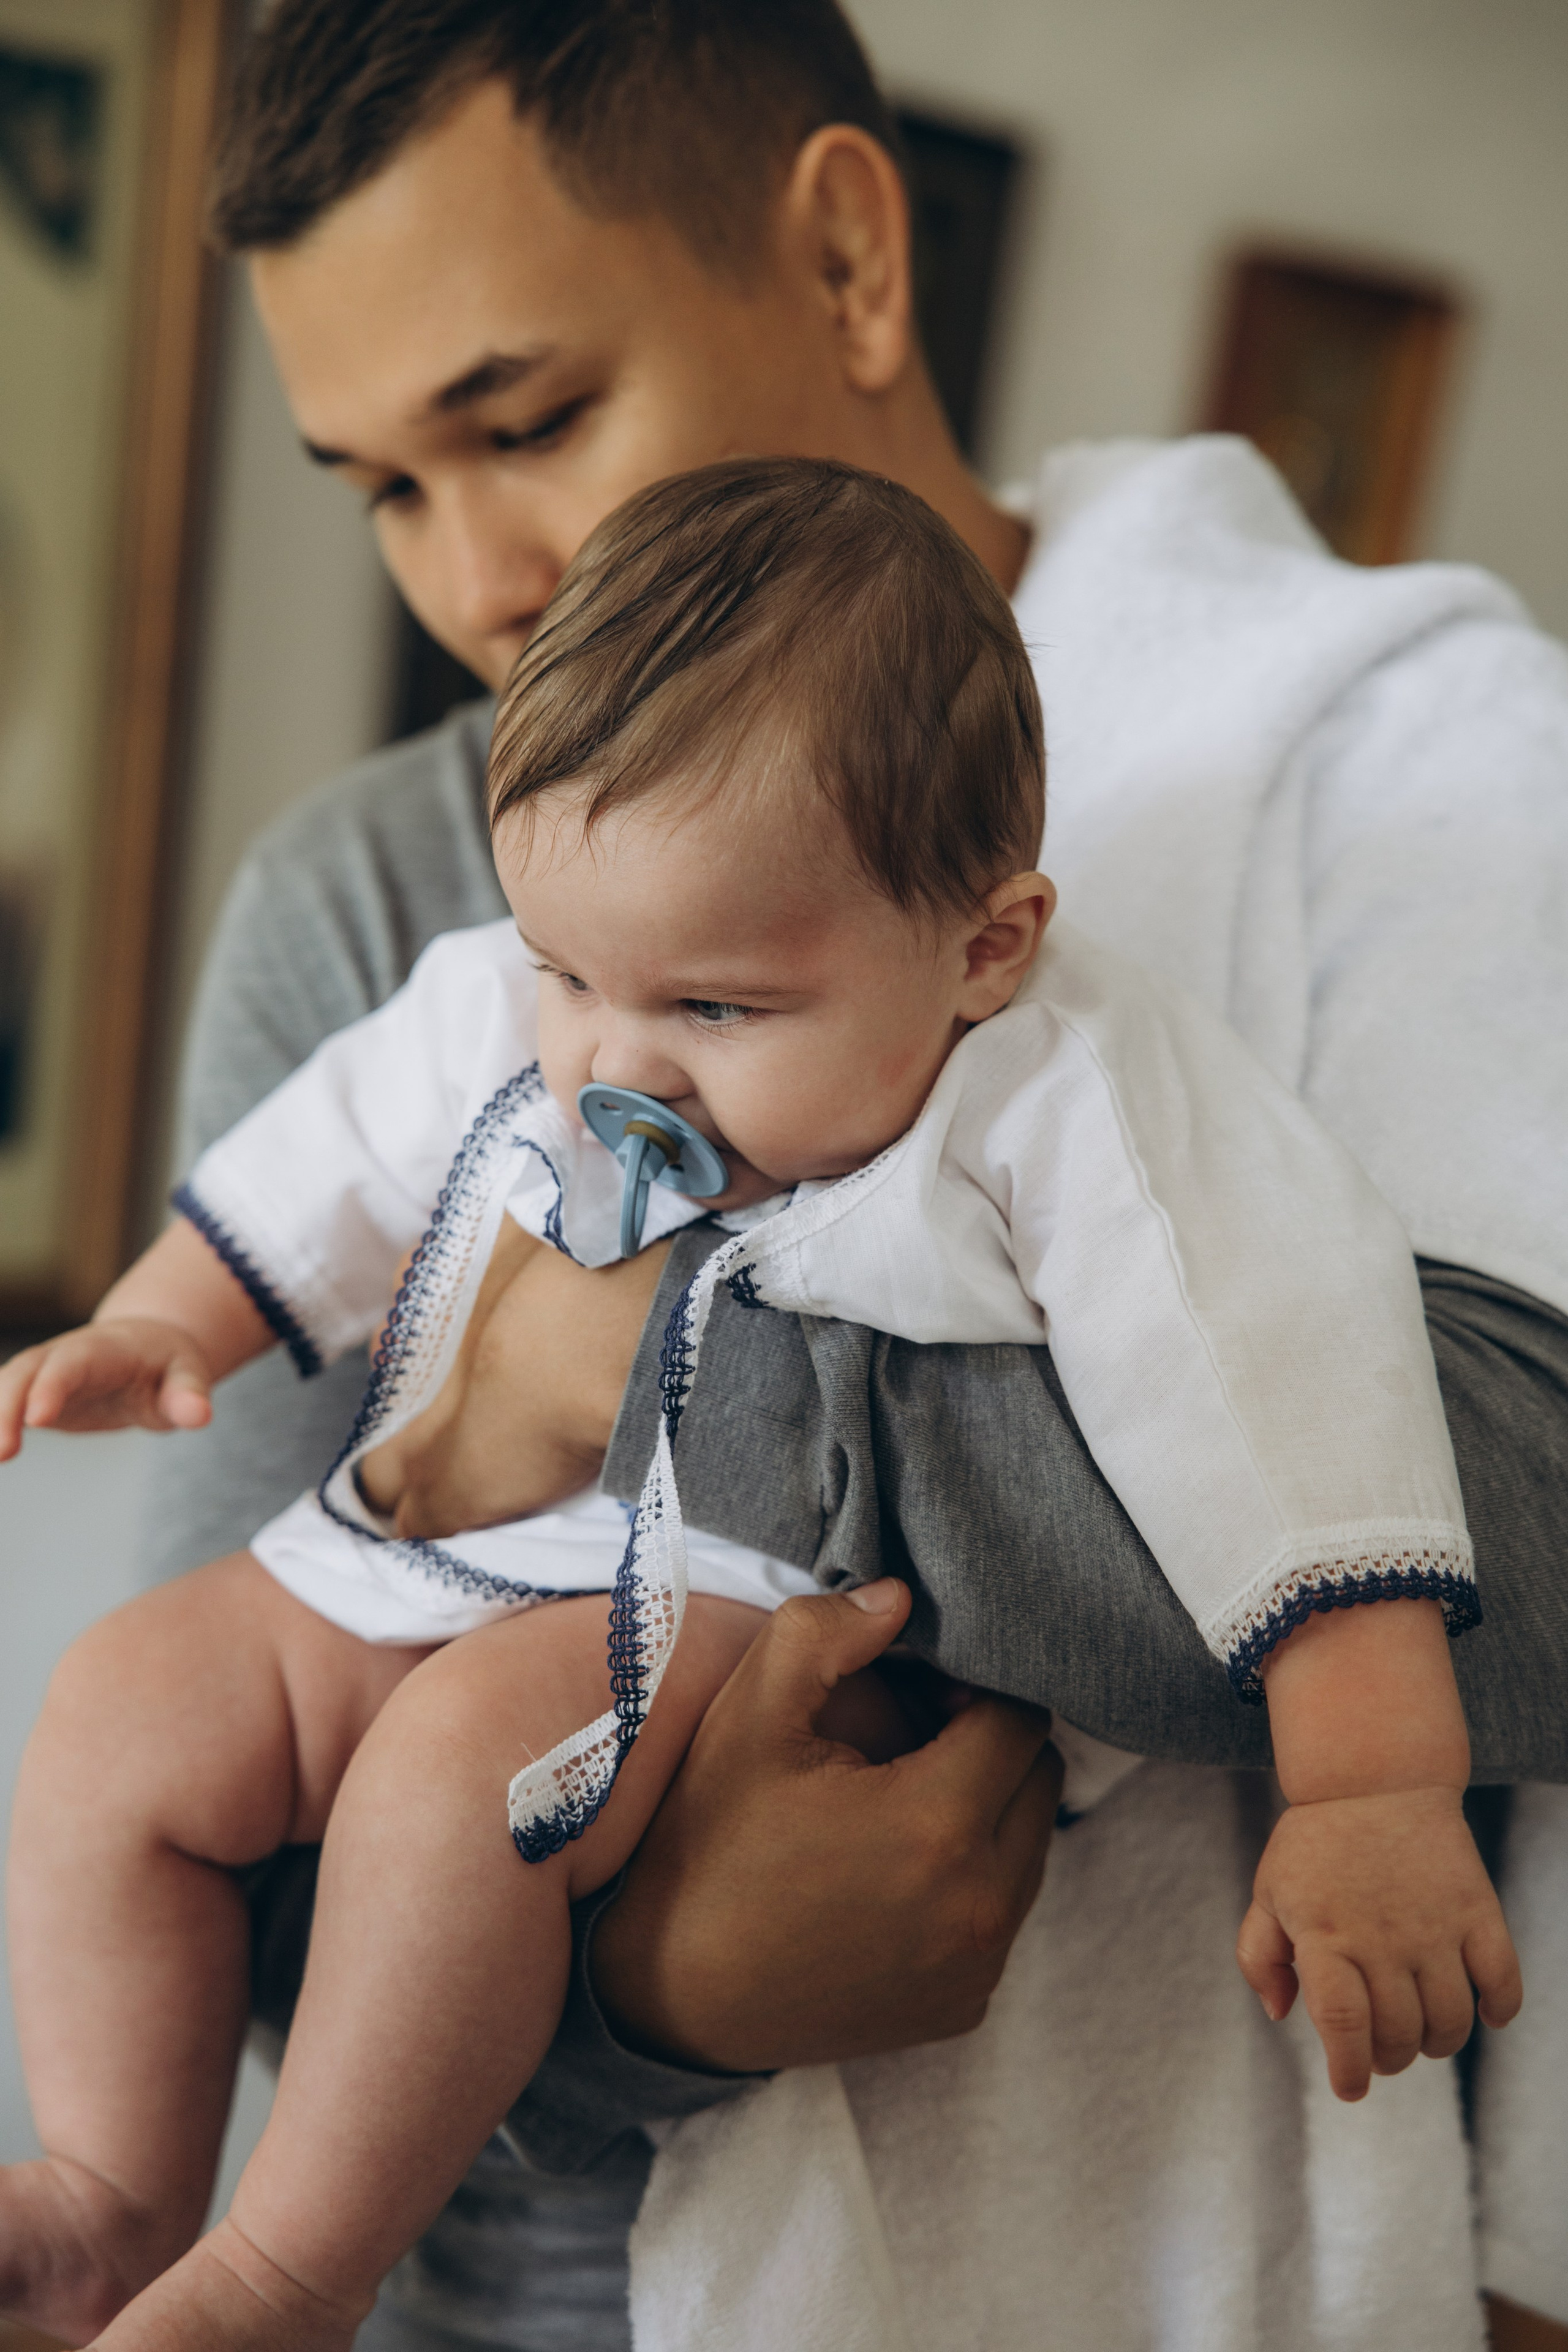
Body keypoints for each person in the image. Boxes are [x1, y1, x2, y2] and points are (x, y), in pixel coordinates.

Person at [119, 0, 1567, 2343]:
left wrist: (664, 1384)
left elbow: (1538, 1530)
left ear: (850, 260)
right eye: (380, 486)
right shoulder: (370, 899)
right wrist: (662, 1996)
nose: (473, 580)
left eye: (526, 422)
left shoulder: (1396, 771)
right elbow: (241, 1812)